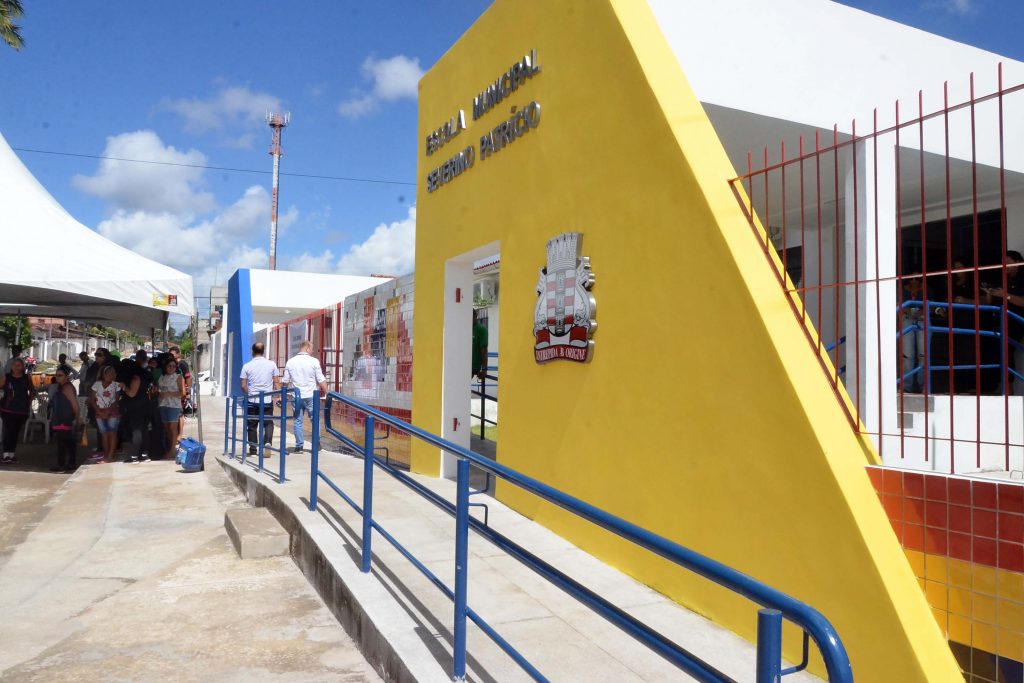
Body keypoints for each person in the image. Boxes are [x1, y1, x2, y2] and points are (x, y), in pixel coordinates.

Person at [282, 340, 326, 454]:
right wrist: (327, 393)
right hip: (311, 395)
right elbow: (321, 379)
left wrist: (282, 395)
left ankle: (299, 446)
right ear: (307, 348)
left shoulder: (290, 362)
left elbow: (285, 381)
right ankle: (316, 444)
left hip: (296, 396)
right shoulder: (314, 361)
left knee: (298, 420)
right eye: (311, 349)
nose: (312, 351)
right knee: (315, 420)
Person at [240, 341, 280, 456]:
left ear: (252, 351)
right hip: (267, 400)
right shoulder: (271, 364)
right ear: (263, 351)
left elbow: (243, 386)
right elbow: (276, 382)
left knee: (252, 425)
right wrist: (279, 396)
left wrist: (249, 393)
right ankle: (267, 442)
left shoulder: (247, 366)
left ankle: (253, 450)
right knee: (268, 422)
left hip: (252, 401)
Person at [119, 352, 159, 463]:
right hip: (148, 405)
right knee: (145, 430)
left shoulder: (136, 378)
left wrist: (124, 387)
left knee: (136, 431)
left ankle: (134, 456)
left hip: (136, 407)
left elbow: (132, 393)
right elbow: (155, 389)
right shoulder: (149, 375)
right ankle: (145, 455)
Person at [0, 357, 33, 464]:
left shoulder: (26, 378)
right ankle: (6, 454)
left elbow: (32, 390)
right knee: (8, 431)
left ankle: (12, 454)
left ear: (23, 367)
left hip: (21, 410)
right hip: (7, 410)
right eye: (14, 365)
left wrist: (28, 402)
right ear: (11, 367)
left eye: (19, 365)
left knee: (15, 432)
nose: (16, 367)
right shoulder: (7, 377)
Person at [50, 368, 80, 473]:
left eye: (60, 375)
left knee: (63, 442)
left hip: (65, 418)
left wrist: (77, 418)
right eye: (56, 375)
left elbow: (75, 404)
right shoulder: (61, 387)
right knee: (67, 442)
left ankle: (62, 464)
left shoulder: (67, 387)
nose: (57, 377)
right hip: (61, 418)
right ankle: (70, 463)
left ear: (66, 376)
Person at [89, 365, 121, 463]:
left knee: (112, 433)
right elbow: (92, 400)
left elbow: (117, 400)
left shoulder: (116, 385)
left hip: (112, 411)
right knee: (104, 434)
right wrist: (99, 411)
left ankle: (110, 456)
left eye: (114, 373)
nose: (113, 375)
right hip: (100, 412)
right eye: (110, 373)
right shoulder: (97, 384)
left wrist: (109, 411)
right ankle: (106, 454)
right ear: (104, 374)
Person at [157, 356, 185, 460]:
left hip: (174, 405)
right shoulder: (162, 377)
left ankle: (173, 450)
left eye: (174, 366)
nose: (171, 368)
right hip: (163, 404)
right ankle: (170, 448)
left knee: (173, 428)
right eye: (169, 366)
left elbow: (182, 393)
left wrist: (169, 394)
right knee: (167, 428)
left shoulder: (178, 377)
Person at [472, 310, 489, 380]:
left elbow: (484, 351)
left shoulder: (481, 329)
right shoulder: (465, 328)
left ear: (475, 316)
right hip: (462, 364)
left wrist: (484, 369)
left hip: (473, 367)